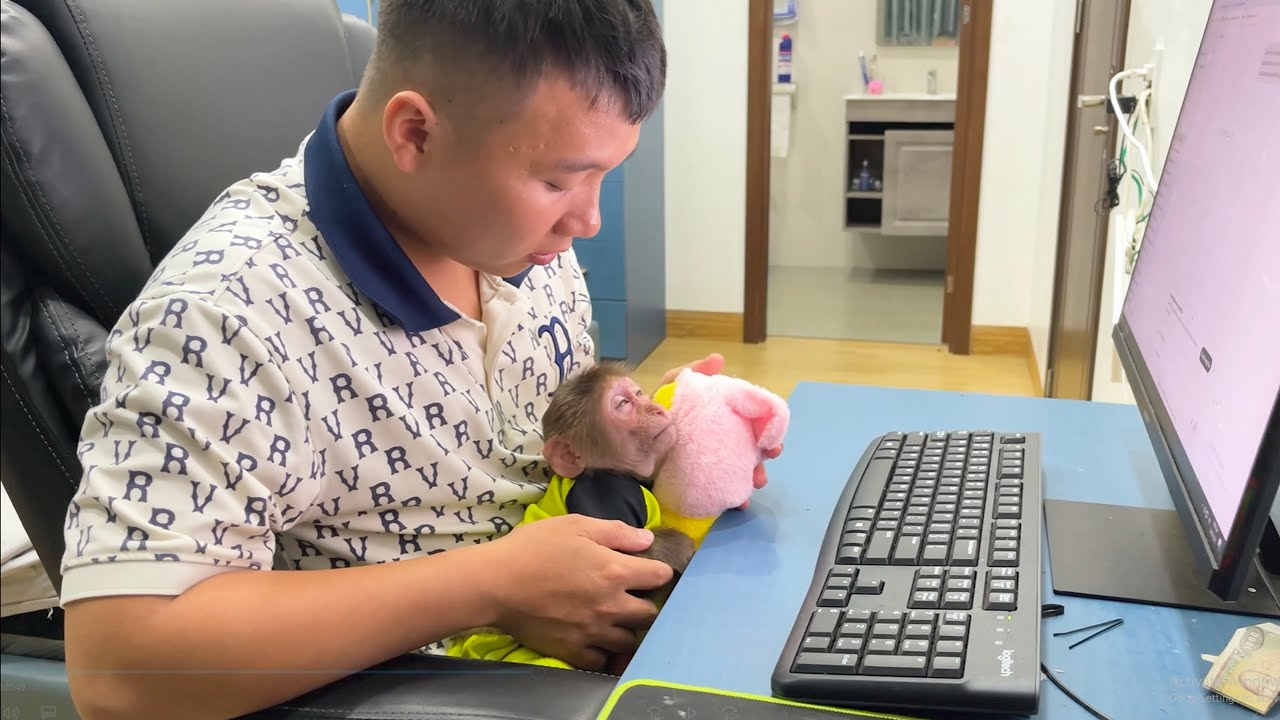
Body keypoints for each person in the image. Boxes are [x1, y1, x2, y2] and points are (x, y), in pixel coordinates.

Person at [57, 2, 774, 719]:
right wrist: (490, 585)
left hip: (592, 634)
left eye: (603, 176)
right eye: (560, 181)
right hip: (451, 689)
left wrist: (646, 428)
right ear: (415, 132)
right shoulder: (222, 313)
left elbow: (532, 455)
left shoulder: (516, 239)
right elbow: (119, 668)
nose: (588, 220)